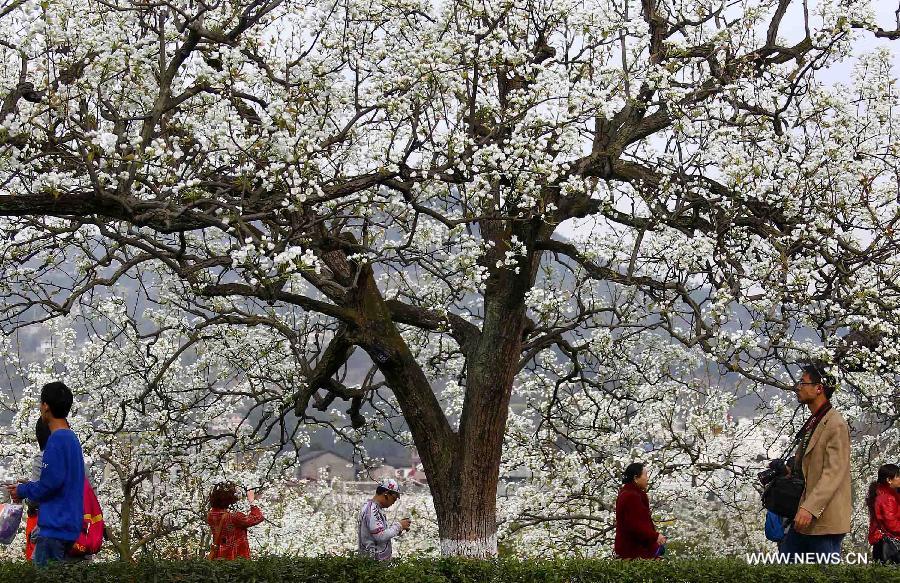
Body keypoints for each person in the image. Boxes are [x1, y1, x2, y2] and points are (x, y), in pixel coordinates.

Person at [7, 381, 85, 566]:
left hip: (54, 529)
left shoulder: (56, 440)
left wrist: (22, 490)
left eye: (41, 404)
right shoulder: (72, 439)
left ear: (46, 406)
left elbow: (50, 484)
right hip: (70, 526)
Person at [779, 363, 851, 561]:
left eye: (803, 382)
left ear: (819, 388)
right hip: (803, 518)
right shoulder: (816, 420)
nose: (798, 387)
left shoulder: (835, 424)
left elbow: (833, 472)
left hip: (823, 520)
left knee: (825, 575)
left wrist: (809, 507)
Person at [614, 462, 666, 559]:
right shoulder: (631, 496)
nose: (647, 478)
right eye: (645, 475)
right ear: (636, 478)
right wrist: (655, 536)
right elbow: (636, 525)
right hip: (635, 552)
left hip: (632, 550)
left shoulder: (627, 493)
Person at [207, 482, 264, 559]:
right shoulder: (235, 517)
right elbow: (258, 517)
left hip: (219, 557)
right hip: (236, 559)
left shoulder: (211, 515)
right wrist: (251, 501)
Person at [358, 478, 410, 560]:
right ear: (386, 494)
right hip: (372, 564)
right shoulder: (371, 510)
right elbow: (380, 536)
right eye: (394, 498)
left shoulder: (376, 508)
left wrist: (399, 529)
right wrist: (399, 526)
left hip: (376, 564)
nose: (394, 502)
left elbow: (379, 533)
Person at [24, 417, 52, 561]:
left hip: (51, 533)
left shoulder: (43, 457)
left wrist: (24, 490)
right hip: (80, 535)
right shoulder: (78, 459)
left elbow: (35, 496)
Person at [867, 463, 900, 563]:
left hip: (881, 542)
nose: (899, 478)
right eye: (897, 476)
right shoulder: (887, 498)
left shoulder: (882, 493)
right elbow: (892, 525)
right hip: (889, 545)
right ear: (889, 480)